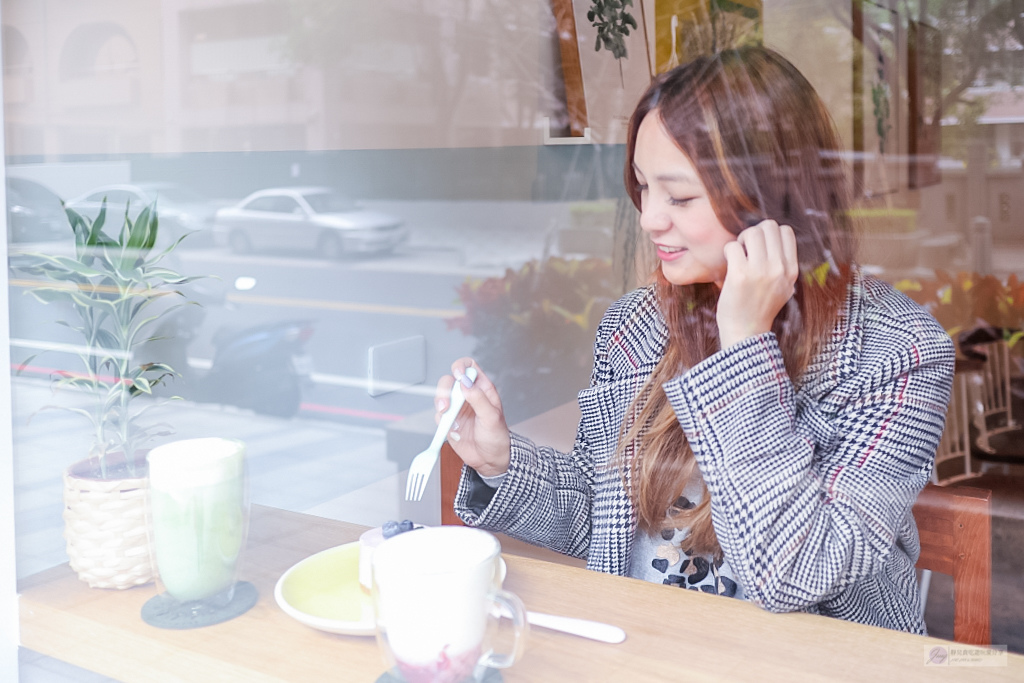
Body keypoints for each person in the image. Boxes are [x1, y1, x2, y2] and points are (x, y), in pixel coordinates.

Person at [433, 46, 954, 633]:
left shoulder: (898, 351)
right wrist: (501, 461)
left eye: (679, 196)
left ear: (769, 198)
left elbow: (797, 571)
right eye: (643, 187)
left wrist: (744, 347)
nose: (651, 217)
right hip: (647, 652)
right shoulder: (637, 326)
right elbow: (600, 522)